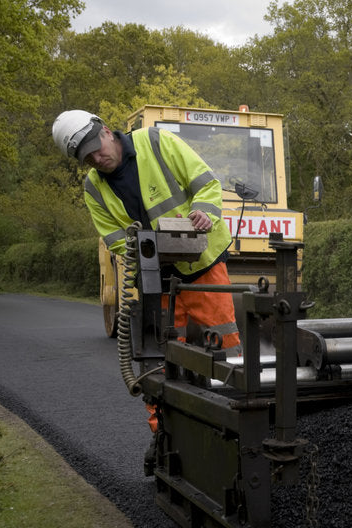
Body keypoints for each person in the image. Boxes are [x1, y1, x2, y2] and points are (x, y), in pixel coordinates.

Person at [52, 109, 241, 432]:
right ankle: (166, 432)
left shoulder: (156, 142)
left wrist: (204, 212)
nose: (97, 158)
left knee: (224, 341)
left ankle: (238, 412)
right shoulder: (94, 189)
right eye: (87, 158)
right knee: (161, 354)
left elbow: (205, 182)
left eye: (97, 148)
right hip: (156, 278)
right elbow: (113, 238)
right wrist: (143, 256)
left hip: (202, 263)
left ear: (107, 132)